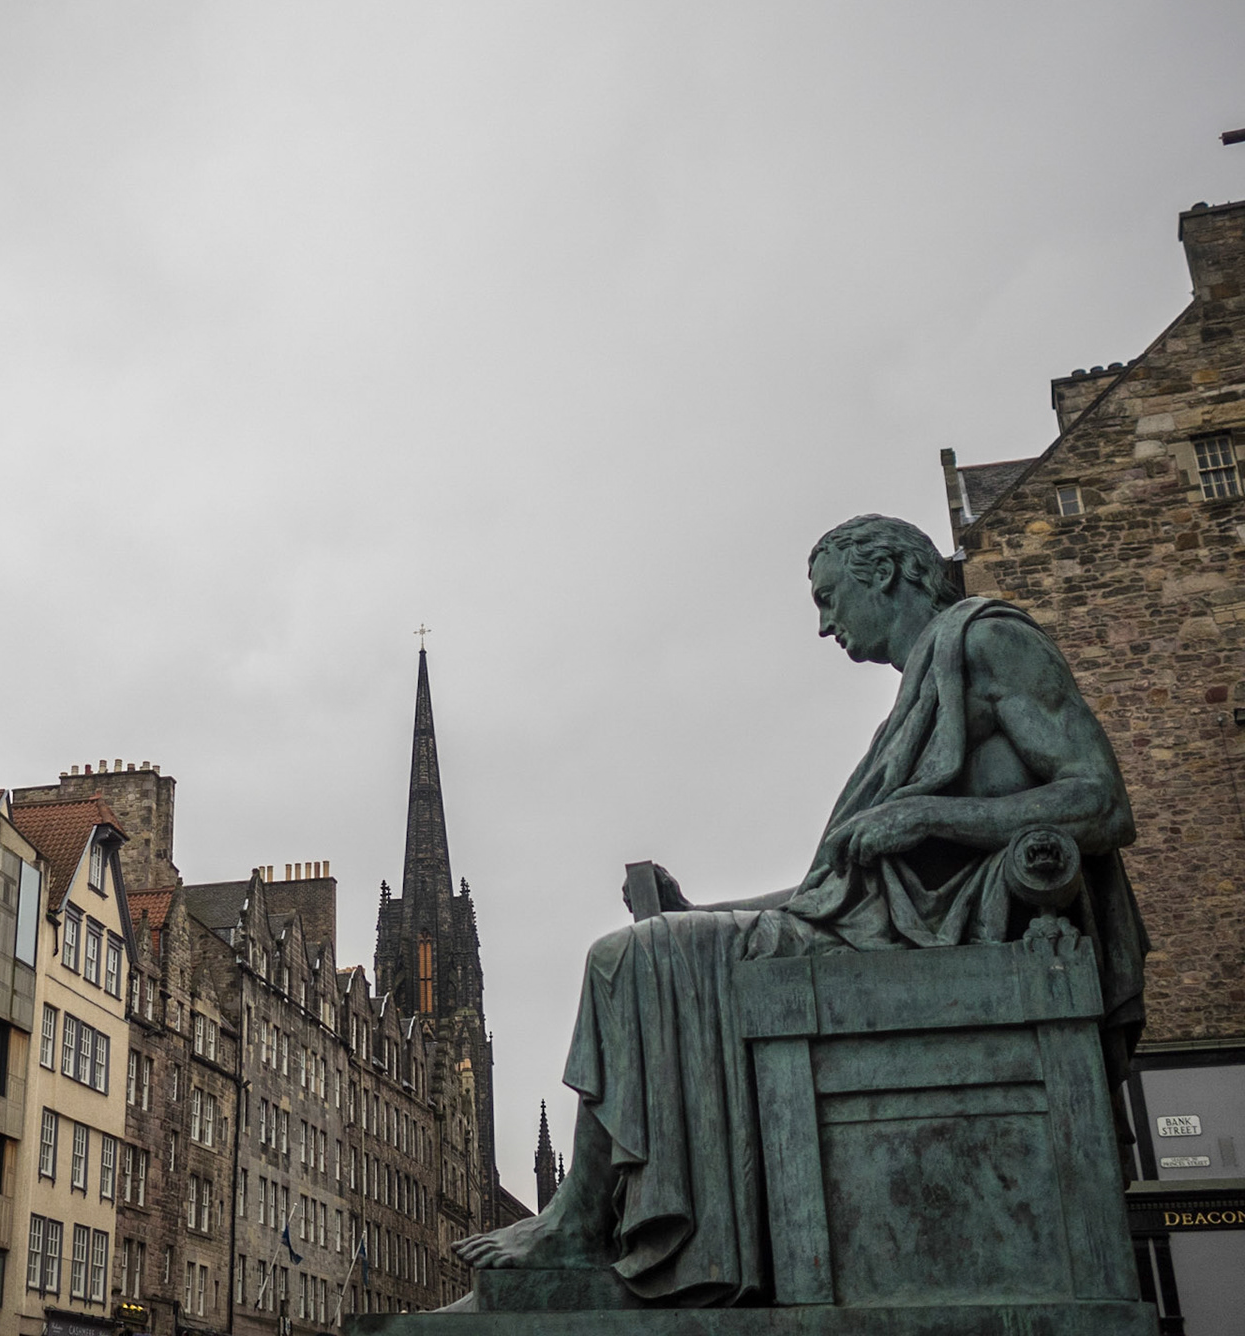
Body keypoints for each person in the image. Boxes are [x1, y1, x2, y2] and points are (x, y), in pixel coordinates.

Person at [452, 514, 1148, 1307]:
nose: (825, 624)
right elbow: (833, 890)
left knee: (624, 958)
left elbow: (1100, 800)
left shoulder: (987, 643)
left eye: (829, 598)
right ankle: (596, 1221)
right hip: (881, 932)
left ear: (884, 571)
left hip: (938, 940)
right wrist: (698, 911)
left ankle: (581, 1224)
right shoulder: (918, 692)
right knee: (649, 944)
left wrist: (930, 818)